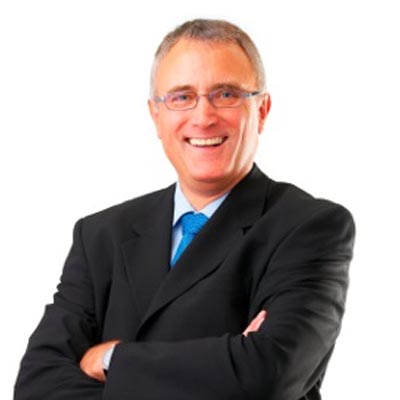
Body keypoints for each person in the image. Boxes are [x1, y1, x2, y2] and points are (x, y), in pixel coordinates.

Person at [14, 19, 355, 400]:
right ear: (156, 116)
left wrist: (112, 359)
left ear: (262, 110)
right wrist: (224, 364)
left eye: (226, 94)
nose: (203, 116)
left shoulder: (309, 227)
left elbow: (267, 375)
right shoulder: (100, 235)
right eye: (181, 97)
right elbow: (36, 384)